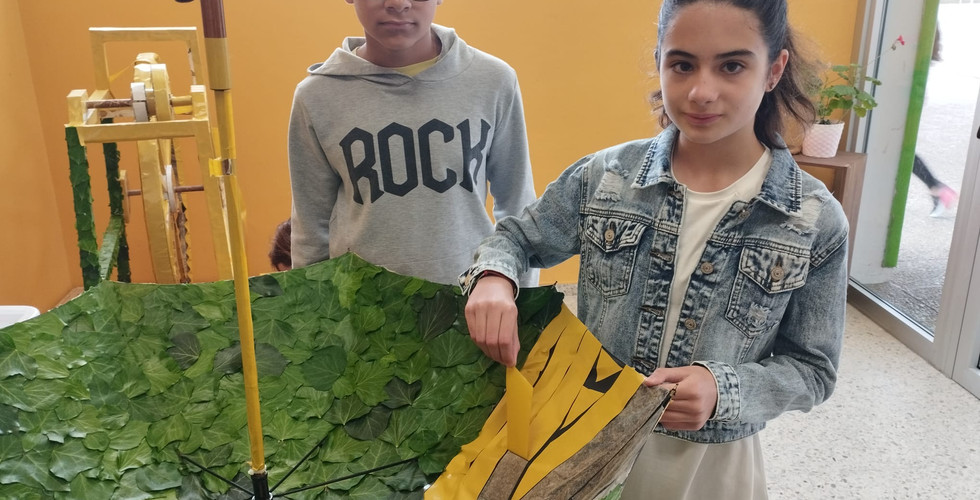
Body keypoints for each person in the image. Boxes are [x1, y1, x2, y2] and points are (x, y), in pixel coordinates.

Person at [461, 1, 848, 498]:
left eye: (732, 66)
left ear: (774, 69)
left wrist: (723, 391)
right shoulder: (606, 179)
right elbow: (516, 238)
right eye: (682, 64)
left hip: (709, 467)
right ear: (660, 61)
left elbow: (813, 370)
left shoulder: (812, 220)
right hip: (585, 443)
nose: (701, 91)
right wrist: (494, 278)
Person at [287, 0, 539, 286]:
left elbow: (518, 206)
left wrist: (519, 297)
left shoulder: (493, 80)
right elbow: (310, 229)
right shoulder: (316, 97)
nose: (398, 3)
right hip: (361, 303)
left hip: (473, 300)